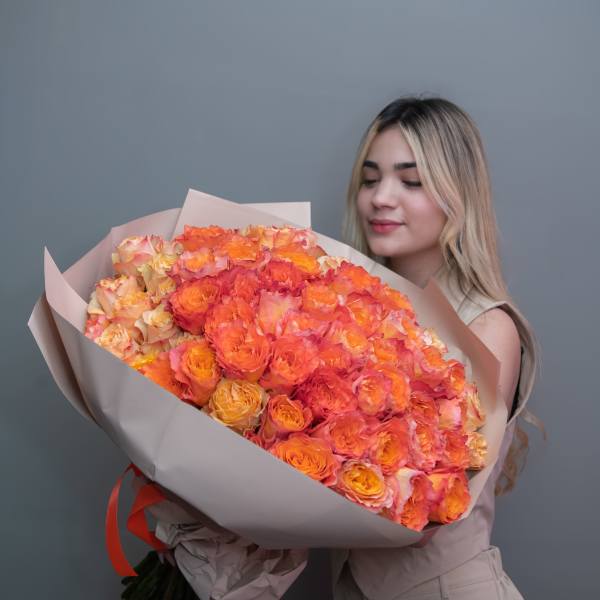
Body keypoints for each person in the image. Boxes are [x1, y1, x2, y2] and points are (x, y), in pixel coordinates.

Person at [332, 95, 547, 600]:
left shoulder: (488, 328)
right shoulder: (346, 314)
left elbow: (431, 508)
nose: (381, 198)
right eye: (370, 179)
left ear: (457, 195)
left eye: (411, 182)